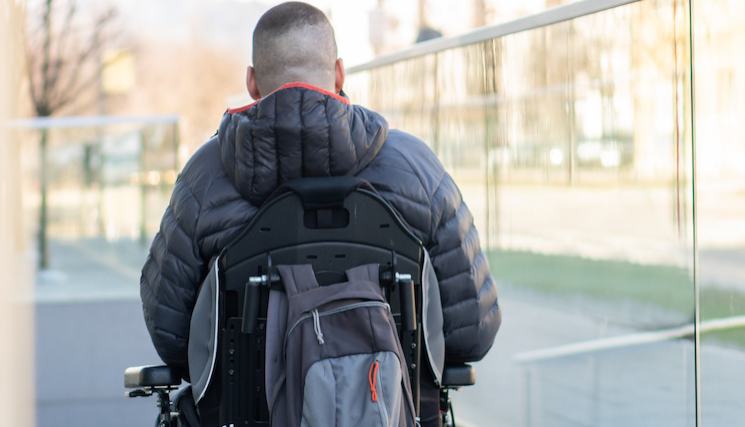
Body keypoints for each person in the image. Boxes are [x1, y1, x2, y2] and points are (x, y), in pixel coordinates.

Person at [139, 2, 501, 425]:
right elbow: (473, 333)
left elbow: (171, 338)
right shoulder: (419, 171)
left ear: (252, 82)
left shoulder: (202, 180)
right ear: (339, 73)